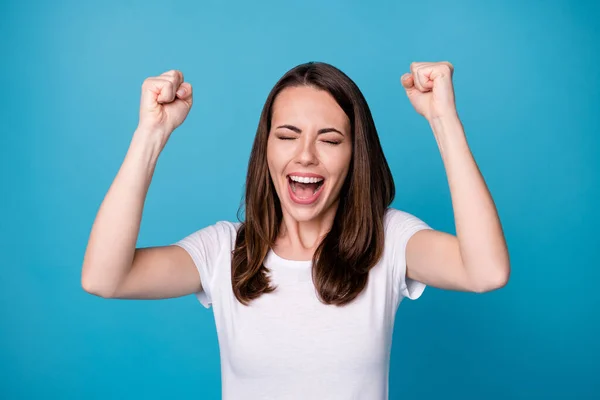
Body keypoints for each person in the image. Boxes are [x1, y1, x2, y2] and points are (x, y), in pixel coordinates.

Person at [81, 61, 510, 399]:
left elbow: (485, 271)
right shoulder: (223, 251)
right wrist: (151, 134)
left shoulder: (389, 240)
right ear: (265, 148)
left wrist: (443, 120)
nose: (305, 156)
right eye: (287, 135)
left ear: (354, 155)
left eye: (329, 139)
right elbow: (105, 277)